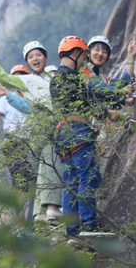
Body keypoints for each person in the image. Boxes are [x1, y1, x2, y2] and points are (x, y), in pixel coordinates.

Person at [0, 41, 63, 223]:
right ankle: (46, 210)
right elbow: (3, 77)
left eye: (38, 54)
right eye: (31, 56)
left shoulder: (53, 79)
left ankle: (42, 213)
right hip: (43, 129)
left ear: (45, 56)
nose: (35, 58)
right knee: (47, 164)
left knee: (47, 169)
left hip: (59, 124)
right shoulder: (26, 80)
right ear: (28, 62)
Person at [50, 35, 119, 238]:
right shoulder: (72, 78)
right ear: (75, 53)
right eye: (82, 57)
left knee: (70, 184)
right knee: (86, 178)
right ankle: (89, 224)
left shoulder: (56, 80)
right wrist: (109, 112)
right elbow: (88, 103)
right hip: (78, 130)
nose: (83, 62)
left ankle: (72, 231)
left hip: (62, 136)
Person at [0, 65, 35, 191]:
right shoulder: (6, 99)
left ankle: (22, 206)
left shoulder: (32, 99)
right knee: (20, 177)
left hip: (31, 143)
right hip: (13, 143)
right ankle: (18, 207)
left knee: (30, 177)